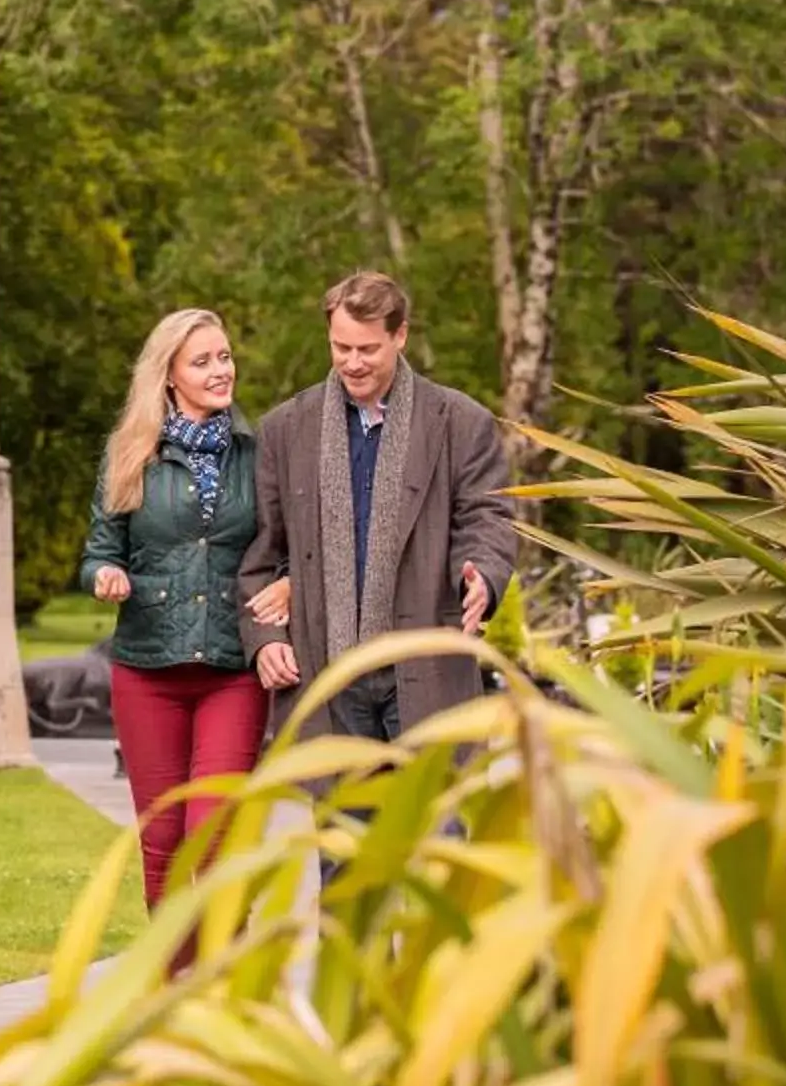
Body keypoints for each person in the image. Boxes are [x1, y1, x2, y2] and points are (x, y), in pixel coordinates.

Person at [237, 271, 514, 747]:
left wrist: (483, 577)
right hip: (326, 677)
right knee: (344, 825)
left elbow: (486, 520)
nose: (352, 362)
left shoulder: (462, 423)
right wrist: (266, 640)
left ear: (400, 335)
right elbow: (259, 551)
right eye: (340, 347)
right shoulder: (285, 430)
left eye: (367, 349)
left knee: (432, 821)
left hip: (427, 671)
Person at [77, 308, 282, 946]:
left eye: (224, 357)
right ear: (169, 377)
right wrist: (104, 576)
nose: (221, 371)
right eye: (203, 361)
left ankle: (223, 982)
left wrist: (289, 583)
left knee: (214, 829)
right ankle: (174, 991)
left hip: (231, 670)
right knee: (162, 840)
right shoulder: (129, 455)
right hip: (147, 670)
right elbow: (99, 551)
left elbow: (285, 545)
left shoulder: (259, 455)